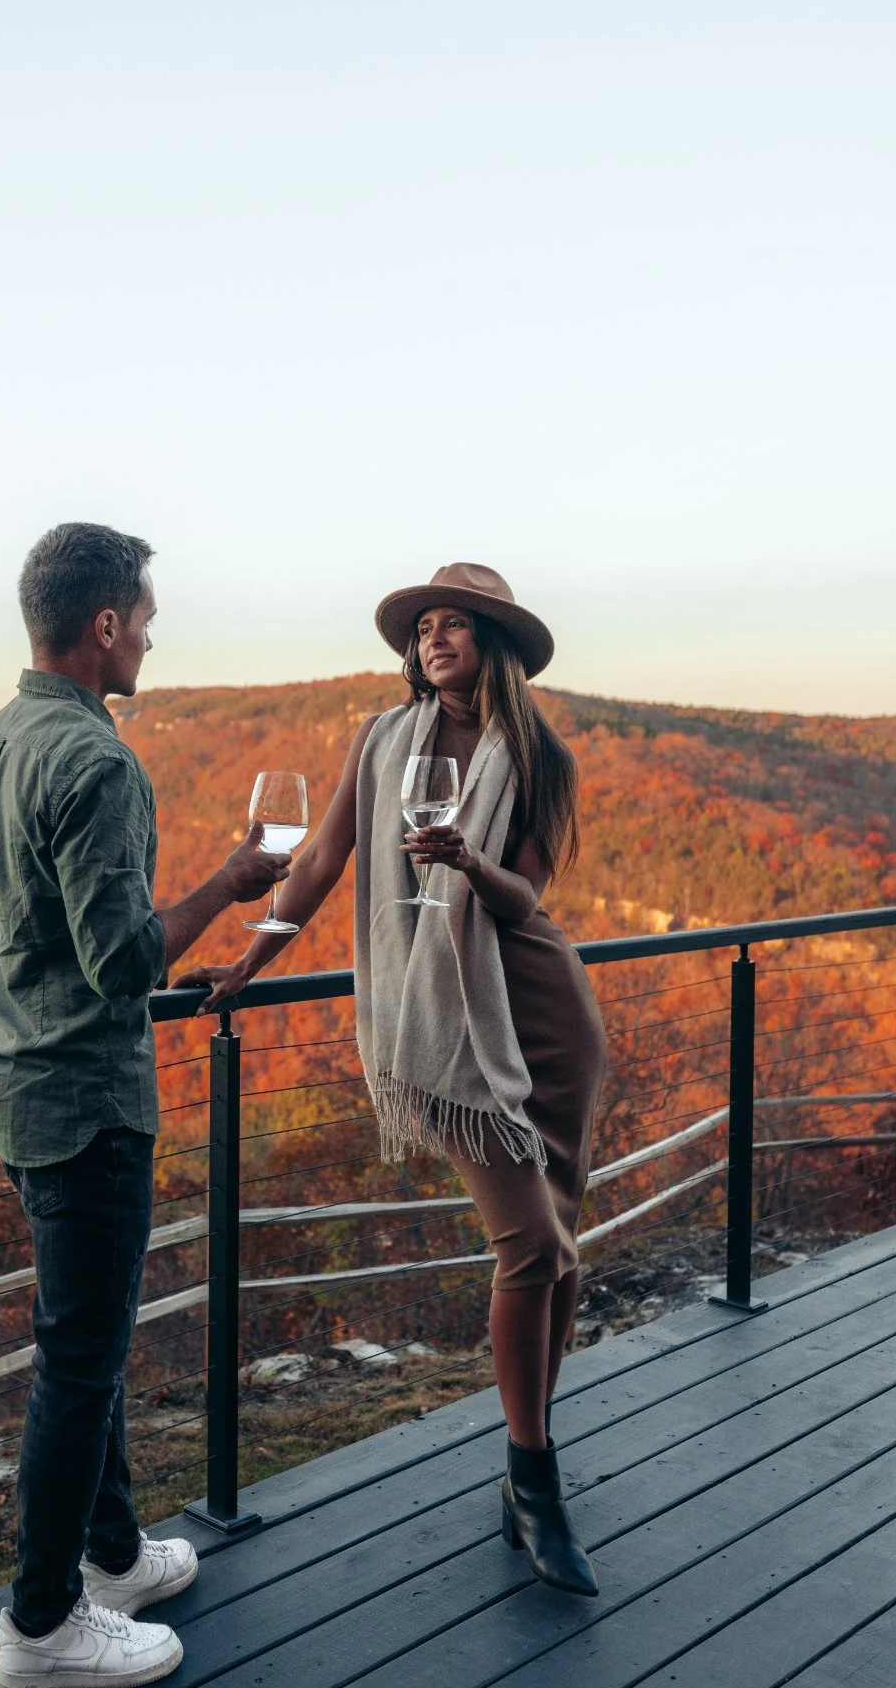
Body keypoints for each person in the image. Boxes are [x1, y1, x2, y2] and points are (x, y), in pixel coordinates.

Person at [177, 563, 606, 1596]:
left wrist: (465, 863)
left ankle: (528, 1459)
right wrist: (251, 957)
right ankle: (532, 1477)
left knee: (561, 1256)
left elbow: (526, 900)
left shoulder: (540, 755)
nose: (433, 642)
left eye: (455, 627)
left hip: (541, 1011)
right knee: (529, 1245)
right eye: (424, 630)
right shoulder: (381, 741)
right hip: (443, 1024)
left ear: (493, 644)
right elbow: (323, 858)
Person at [0, 522, 290, 1688]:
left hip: (9, 1084)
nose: (149, 634)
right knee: (80, 1362)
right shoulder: (96, 763)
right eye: (142, 616)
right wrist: (231, 885)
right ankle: (42, 1627)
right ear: (103, 625)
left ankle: (116, 1555)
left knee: (80, 1338)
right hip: (87, 1099)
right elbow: (124, 961)